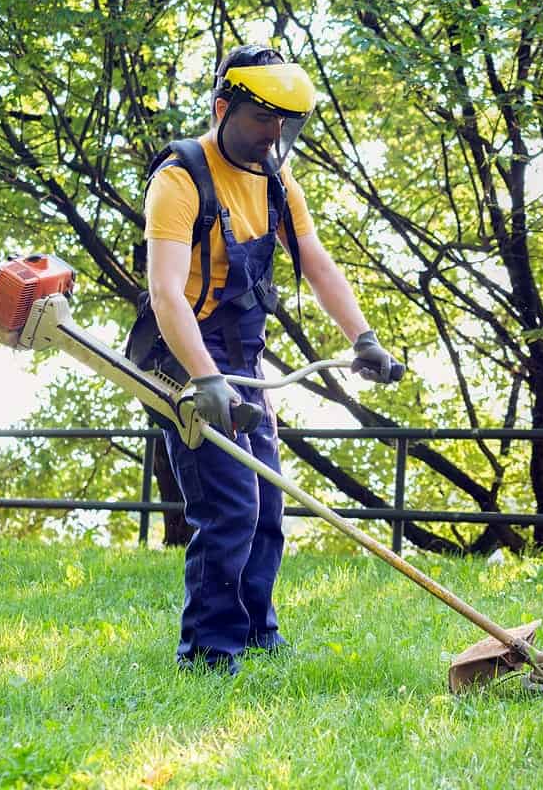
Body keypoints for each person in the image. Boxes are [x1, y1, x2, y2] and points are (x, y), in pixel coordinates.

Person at [143, 44, 402, 674]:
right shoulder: (180, 179)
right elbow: (165, 293)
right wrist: (202, 379)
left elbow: (315, 261)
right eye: (263, 118)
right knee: (228, 504)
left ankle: (258, 632)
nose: (275, 132)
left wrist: (362, 337)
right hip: (184, 356)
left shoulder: (276, 181)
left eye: (286, 120)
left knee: (267, 500)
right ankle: (208, 651)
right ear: (223, 107)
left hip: (243, 358)